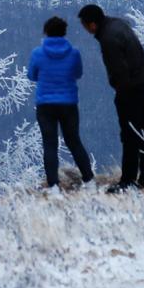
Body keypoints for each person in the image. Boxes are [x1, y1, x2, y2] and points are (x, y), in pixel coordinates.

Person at [77, 3, 144, 192]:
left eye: (84, 25)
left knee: (130, 134)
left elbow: (119, 71)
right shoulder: (117, 25)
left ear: (92, 24)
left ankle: (128, 181)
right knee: (143, 131)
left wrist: (120, 92)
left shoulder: (108, 38)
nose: (84, 29)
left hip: (130, 89)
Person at [26, 15, 95, 191]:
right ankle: (89, 182)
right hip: (69, 104)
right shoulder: (74, 53)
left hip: (45, 105)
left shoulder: (37, 53)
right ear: (64, 32)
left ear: (46, 32)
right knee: (74, 142)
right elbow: (78, 73)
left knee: (50, 145)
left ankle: (54, 186)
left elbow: (32, 75)